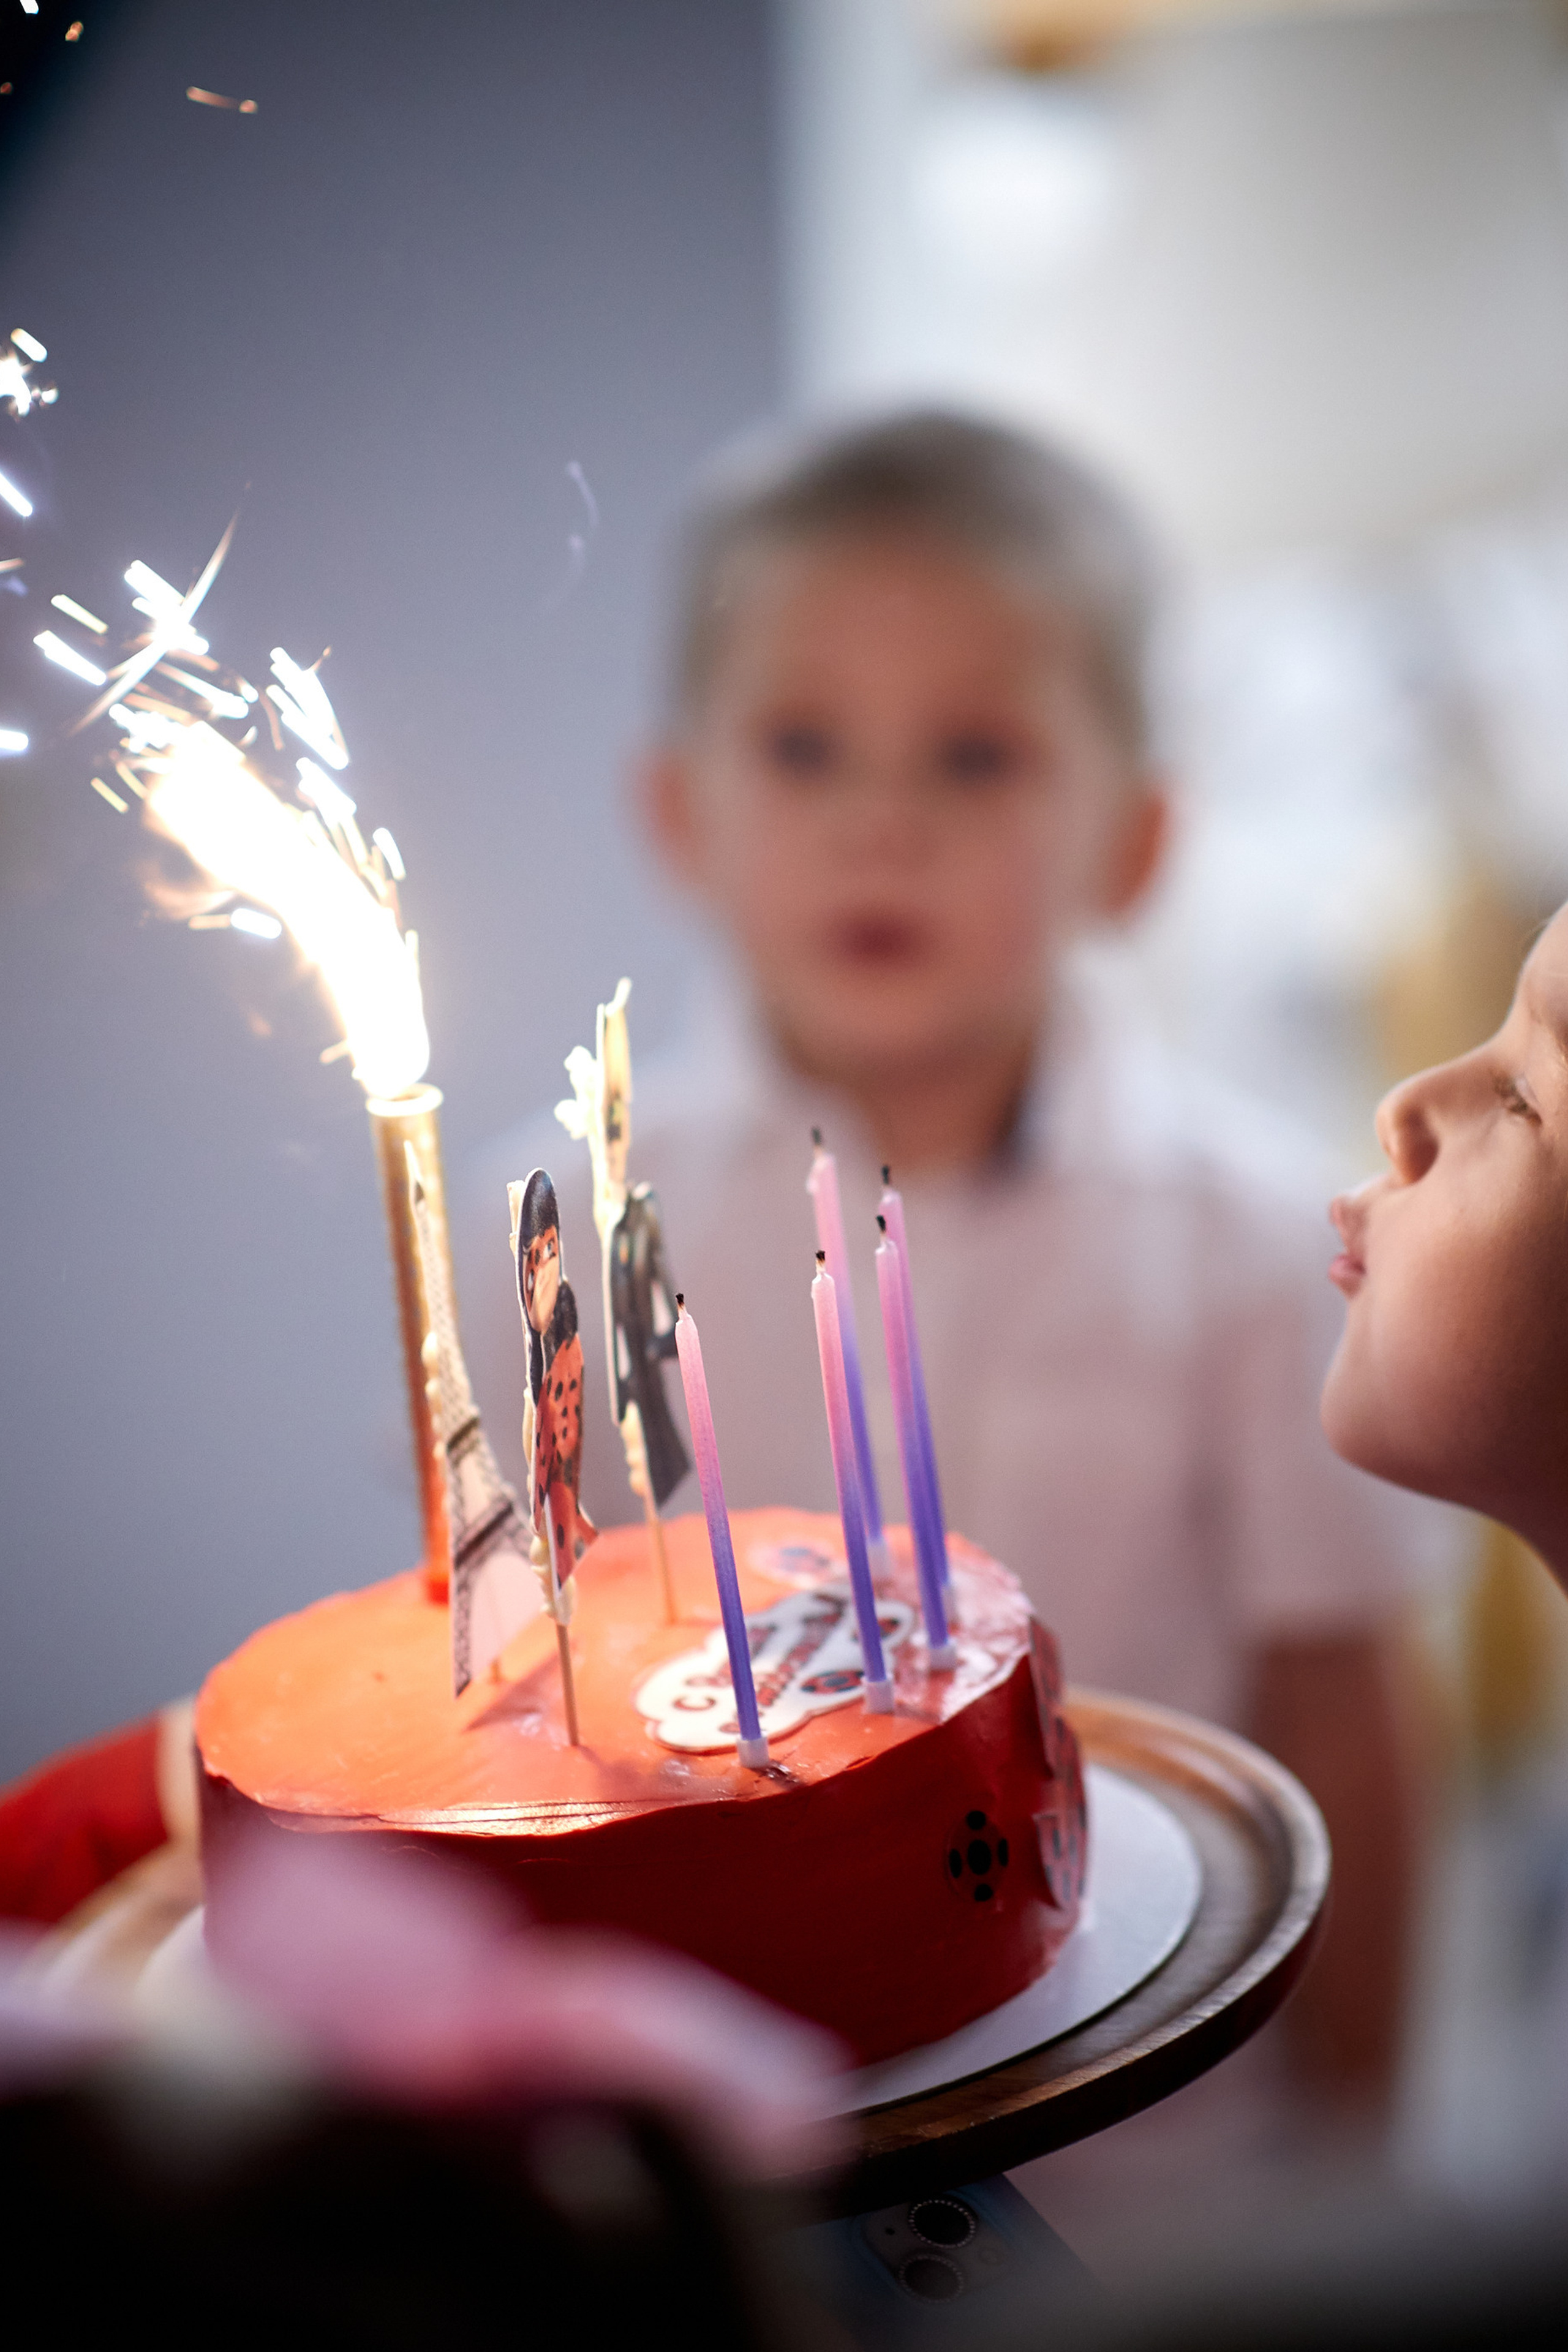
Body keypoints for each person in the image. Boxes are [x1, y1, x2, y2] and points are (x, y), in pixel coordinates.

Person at [460, 409, 1444, 2134]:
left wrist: (1358, 2146)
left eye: (975, 757)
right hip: (723, 2133)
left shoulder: (1269, 1243)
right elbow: (511, 1697)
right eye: (805, 746)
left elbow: (1339, 1709)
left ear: (1134, 846)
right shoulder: (556, 1229)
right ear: (680, 815)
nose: (883, 824)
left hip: (1150, 2154)